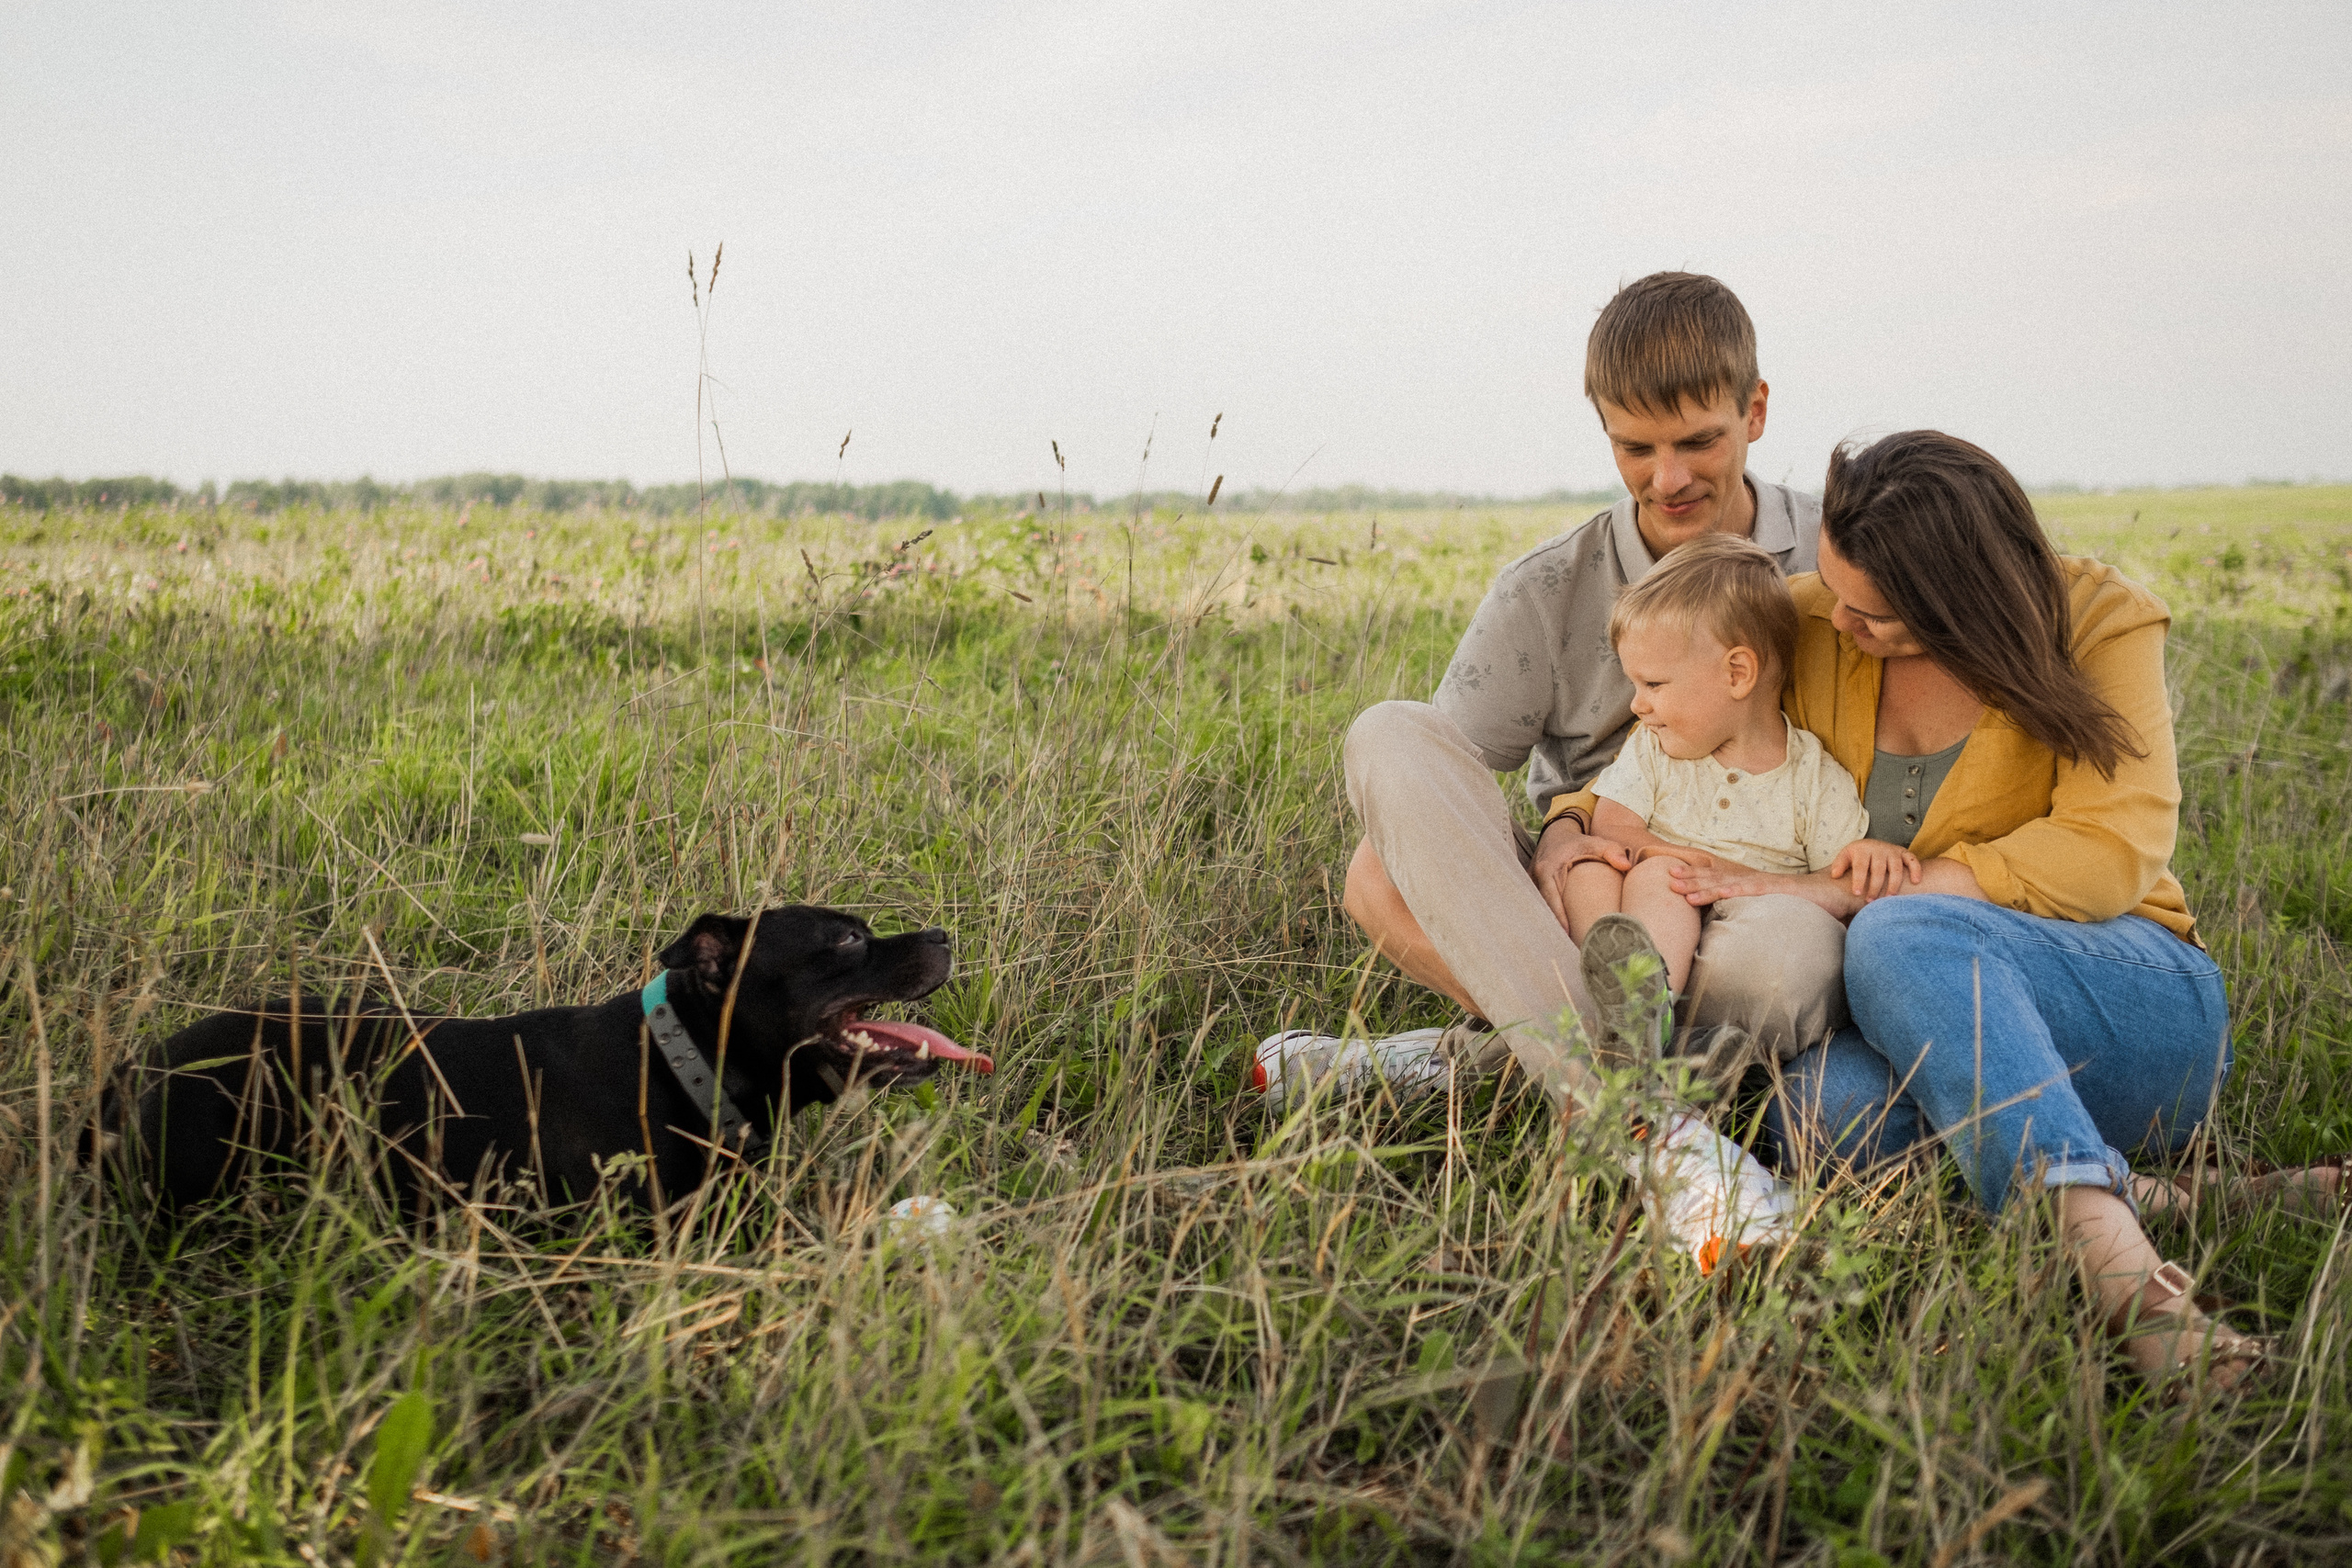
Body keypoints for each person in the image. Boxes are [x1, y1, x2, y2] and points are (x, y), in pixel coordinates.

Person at [1254, 271, 1840, 1270]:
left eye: (1697, 439)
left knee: (1782, 962)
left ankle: (1478, 1064)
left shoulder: (1837, 551)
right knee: (1382, 811)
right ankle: (1663, 1130)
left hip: (1759, 892)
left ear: (1755, 411)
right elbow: (1439, 791)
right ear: (1602, 429)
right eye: (1634, 447)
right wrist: (1566, 837)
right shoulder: (1546, 587)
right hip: (1581, 906)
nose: (1667, 479)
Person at [1663, 429, 2266, 1388]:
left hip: (2128, 999)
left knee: (1902, 928)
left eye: (1876, 618)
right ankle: (2154, 1190)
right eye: (1833, 590)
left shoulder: (2099, 621)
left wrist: (1865, 891)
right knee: (1823, 1113)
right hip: (1936, 1030)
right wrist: (1575, 826)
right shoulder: (1813, 618)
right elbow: (1670, 736)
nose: (1839, 624)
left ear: (1961, 604)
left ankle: (2121, 1276)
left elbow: (2112, 850)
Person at [1562, 533, 1917, 1031]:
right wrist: (1679, 861)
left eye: (1654, 685)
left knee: (1665, 879)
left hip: (1745, 938)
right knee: (1595, 869)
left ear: (1737, 673)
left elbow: (1837, 886)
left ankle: (1632, 1021)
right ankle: (1615, 999)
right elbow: (1612, 826)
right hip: (1647, 914)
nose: (1637, 705)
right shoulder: (1653, 747)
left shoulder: (1812, 777)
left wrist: (1870, 854)